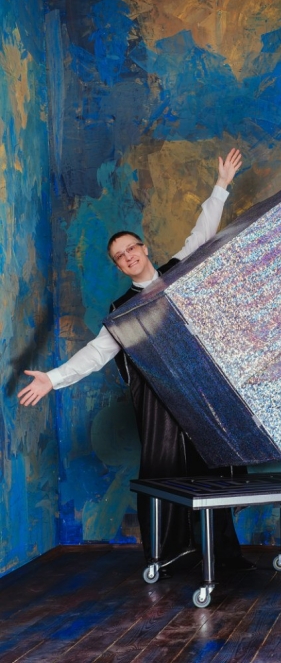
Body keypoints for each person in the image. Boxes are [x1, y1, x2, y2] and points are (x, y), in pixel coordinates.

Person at [18, 148, 255, 573]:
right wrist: (52, 379)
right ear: (118, 265)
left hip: (201, 394)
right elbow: (96, 353)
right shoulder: (121, 311)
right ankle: (169, 557)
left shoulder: (176, 272)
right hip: (161, 407)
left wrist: (221, 185)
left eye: (132, 248)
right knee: (164, 477)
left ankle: (223, 558)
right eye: (120, 256)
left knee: (212, 474)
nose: (129, 256)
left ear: (144, 248)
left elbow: (201, 234)